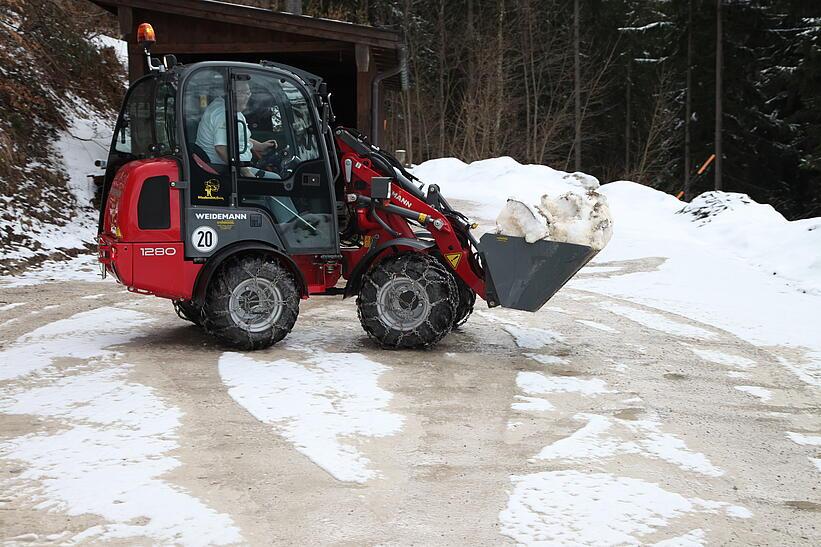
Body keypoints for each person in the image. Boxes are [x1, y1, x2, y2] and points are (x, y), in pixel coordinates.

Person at [195, 80, 280, 178]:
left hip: (233, 167)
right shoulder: (223, 114)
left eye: (248, 93)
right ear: (230, 93)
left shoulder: (229, 109)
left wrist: (260, 146)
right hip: (223, 171)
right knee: (276, 179)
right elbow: (221, 149)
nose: (247, 96)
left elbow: (236, 137)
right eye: (242, 93)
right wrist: (246, 172)